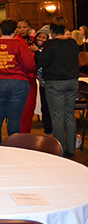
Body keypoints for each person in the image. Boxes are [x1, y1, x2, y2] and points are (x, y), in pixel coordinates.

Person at [0, 18, 36, 136]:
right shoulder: (20, 44)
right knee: (15, 118)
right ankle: (13, 146)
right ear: (15, 30)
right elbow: (30, 65)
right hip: (18, 83)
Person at [34, 18, 79, 157]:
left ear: (52, 31)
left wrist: (36, 52)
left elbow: (42, 62)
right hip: (72, 81)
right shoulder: (73, 43)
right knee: (69, 115)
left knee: (57, 116)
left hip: (55, 83)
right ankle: (71, 150)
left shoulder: (51, 44)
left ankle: (58, 150)